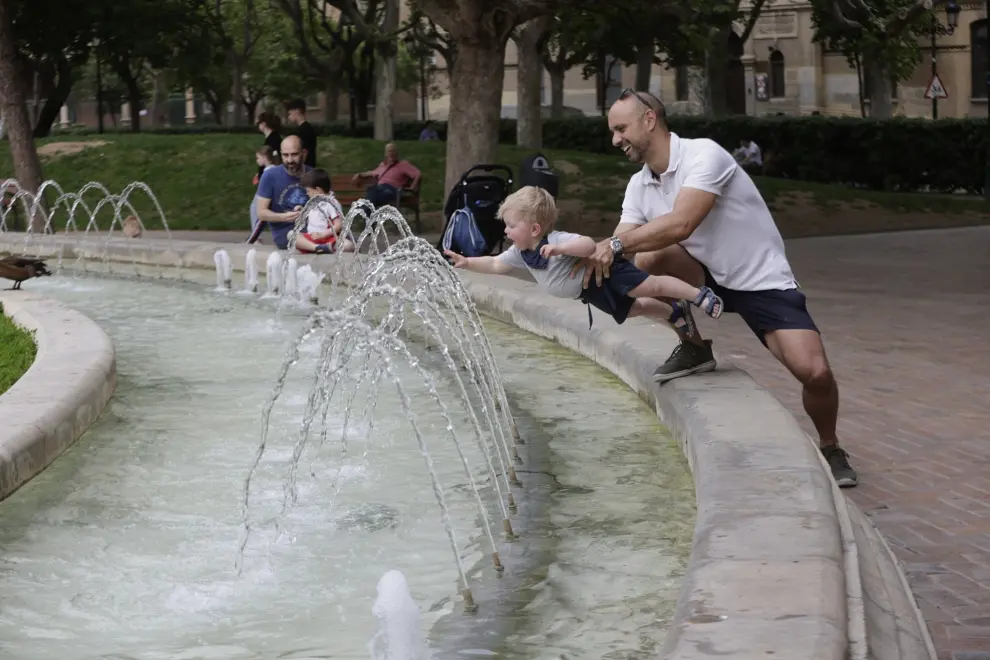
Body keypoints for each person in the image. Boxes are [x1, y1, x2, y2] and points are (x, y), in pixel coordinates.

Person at [577, 88, 856, 487]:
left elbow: (681, 223)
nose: (615, 140)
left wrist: (616, 246)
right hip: (701, 276)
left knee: (814, 373)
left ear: (649, 120)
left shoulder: (704, 155)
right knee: (647, 261)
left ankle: (830, 446)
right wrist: (584, 262)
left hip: (757, 280)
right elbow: (624, 242)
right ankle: (692, 346)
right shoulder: (639, 185)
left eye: (621, 129)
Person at [444, 186, 723, 334]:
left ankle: (698, 295)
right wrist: (468, 263)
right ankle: (674, 313)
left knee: (649, 287)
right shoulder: (520, 253)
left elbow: (589, 244)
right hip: (590, 291)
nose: (505, 231)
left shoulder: (554, 241)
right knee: (632, 309)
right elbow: (494, 264)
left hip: (608, 272)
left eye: (511, 226)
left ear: (534, 230)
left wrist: (562, 249)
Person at [248, 135, 312, 249]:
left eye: (294, 154)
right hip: (286, 233)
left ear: (304, 153)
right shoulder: (270, 176)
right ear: (280, 154)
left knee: (347, 245)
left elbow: (329, 207)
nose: (290, 160)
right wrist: (284, 217)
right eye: (285, 155)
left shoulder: (314, 175)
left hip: (315, 230)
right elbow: (261, 212)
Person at [293, 168, 356, 255]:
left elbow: (339, 224)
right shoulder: (314, 202)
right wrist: (302, 210)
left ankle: (320, 247)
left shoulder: (331, 204)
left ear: (317, 190)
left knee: (347, 245)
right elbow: (312, 215)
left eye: (308, 191)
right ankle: (317, 248)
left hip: (329, 239)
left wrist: (323, 234)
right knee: (291, 235)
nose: (307, 194)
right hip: (312, 238)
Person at [351, 143, 421, 208]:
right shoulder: (383, 165)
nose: (391, 153)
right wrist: (359, 174)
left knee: (370, 197)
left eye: (393, 151)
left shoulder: (403, 164)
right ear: (386, 154)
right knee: (371, 194)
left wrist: (413, 186)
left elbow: (417, 174)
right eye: (389, 151)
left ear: (397, 153)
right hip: (379, 190)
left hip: (392, 190)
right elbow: (372, 173)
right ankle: (370, 218)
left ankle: (368, 217)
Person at [249, 145, 279, 238]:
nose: (257, 160)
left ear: (264, 157)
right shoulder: (274, 169)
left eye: (258, 158)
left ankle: (255, 237)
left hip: (264, 197)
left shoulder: (268, 172)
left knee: (255, 211)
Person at [286, 98, 317, 168]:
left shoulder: (304, 130)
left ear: (297, 111)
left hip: (305, 169)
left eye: (290, 114)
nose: (289, 117)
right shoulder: (307, 128)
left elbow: (304, 153)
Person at [255, 112, 283, 183]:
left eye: (259, 122)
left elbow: (273, 160)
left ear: (264, 124)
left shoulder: (272, 141)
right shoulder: (274, 138)